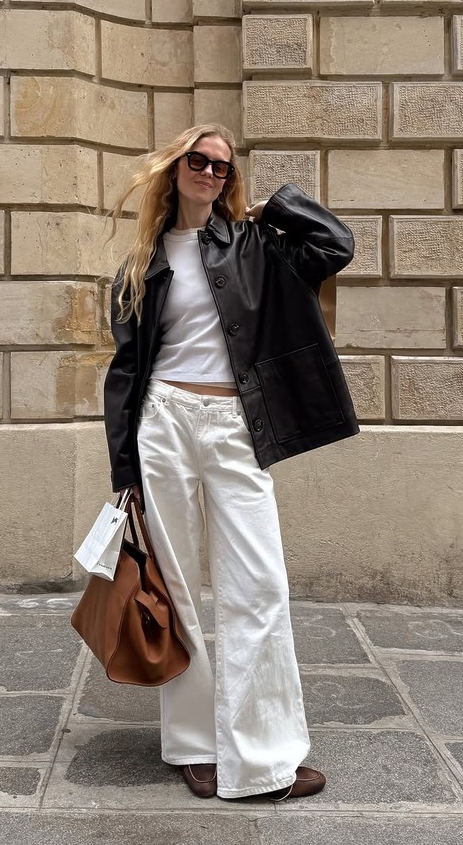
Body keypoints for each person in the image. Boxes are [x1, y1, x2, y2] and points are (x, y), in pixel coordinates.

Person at [103, 123, 359, 800]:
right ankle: (195, 745)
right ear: (174, 168)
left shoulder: (254, 244)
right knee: (177, 587)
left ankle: (264, 756)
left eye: (222, 167)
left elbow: (335, 246)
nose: (211, 174)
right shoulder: (142, 262)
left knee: (260, 586)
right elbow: (125, 372)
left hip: (233, 425)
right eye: (199, 161)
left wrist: (277, 207)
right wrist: (124, 472)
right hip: (163, 422)